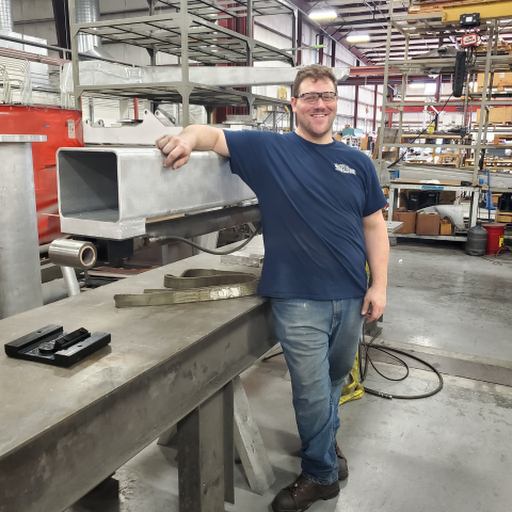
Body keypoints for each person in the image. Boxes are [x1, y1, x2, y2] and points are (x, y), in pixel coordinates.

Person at [156, 64, 389, 512]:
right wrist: (185, 139)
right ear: (294, 104)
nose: (320, 104)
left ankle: (325, 445)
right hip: (298, 299)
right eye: (310, 96)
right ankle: (321, 475)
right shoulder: (269, 149)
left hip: (350, 296)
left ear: (335, 102)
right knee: (311, 390)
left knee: (334, 380)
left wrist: (379, 286)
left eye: (327, 96)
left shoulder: (358, 162)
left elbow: (374, 227)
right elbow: (210, 135)